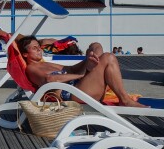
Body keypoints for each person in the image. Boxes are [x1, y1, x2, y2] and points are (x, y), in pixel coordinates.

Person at [18, 35, 146, 108]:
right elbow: (50, 79)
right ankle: (124, 99)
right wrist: (81, 74)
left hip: (79, 87)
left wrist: (88, 59)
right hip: (73, 94)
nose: (39, 50)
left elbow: (71, 69)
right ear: (24, 54)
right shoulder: (32, 68)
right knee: (108, 57)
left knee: (96, 46)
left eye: (39, 47)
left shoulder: (45, 63)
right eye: (35, 48)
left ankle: (93, 58)